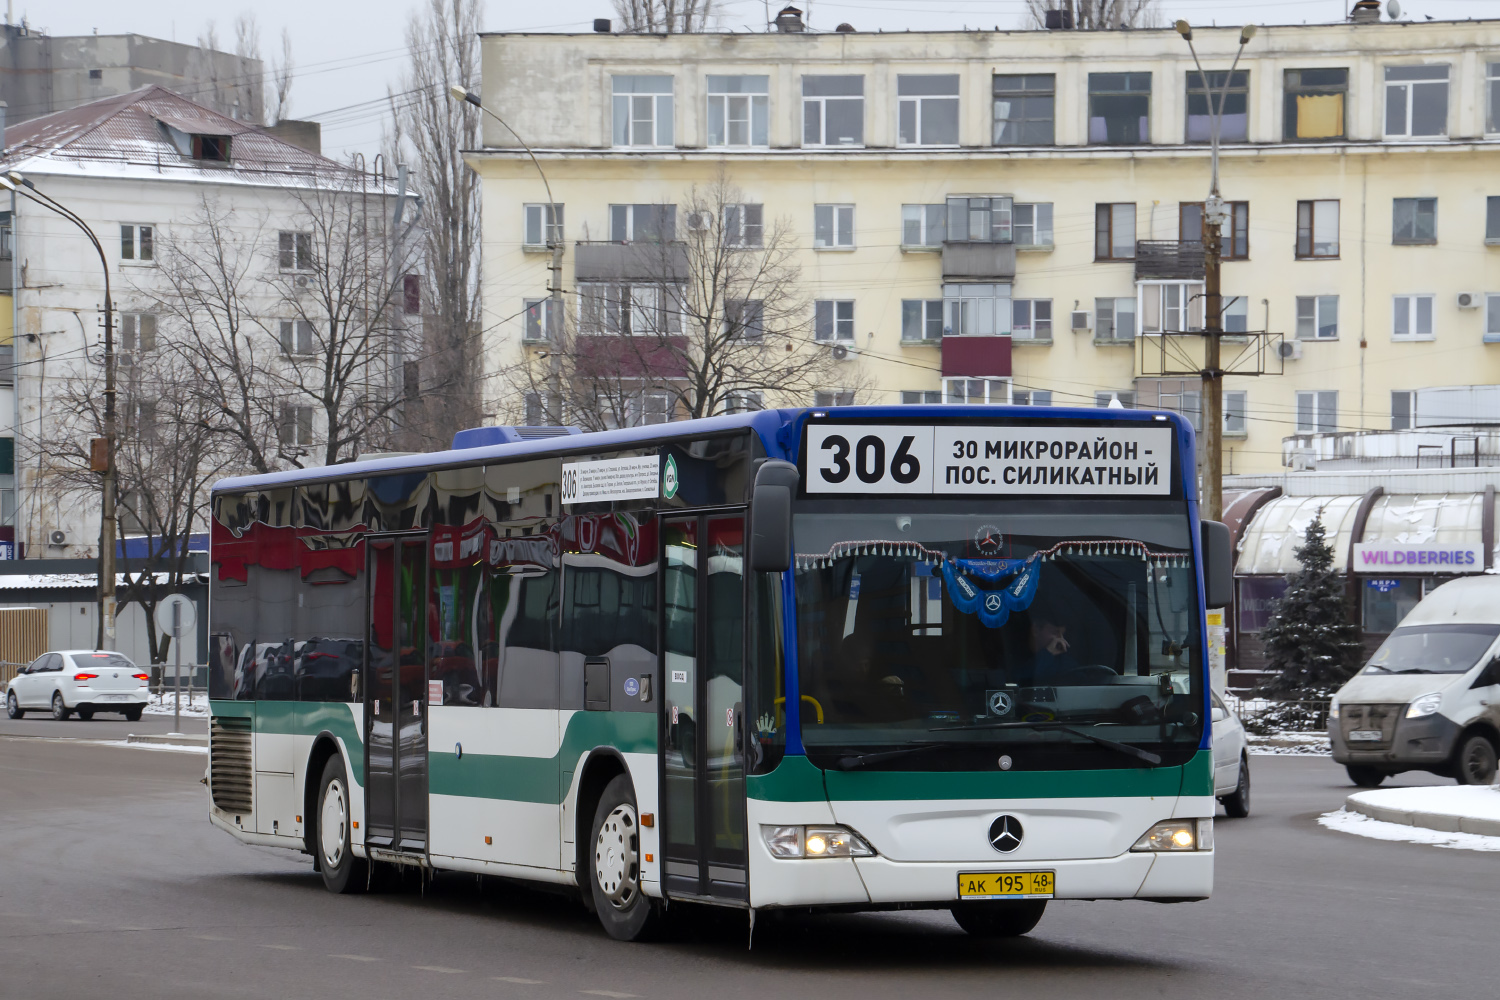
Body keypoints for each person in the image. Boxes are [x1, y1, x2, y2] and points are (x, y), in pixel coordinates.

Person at [1027, 614, 1078, 685]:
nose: (1061, 639)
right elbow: (1022, 679)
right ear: (1035, 630)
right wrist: (1047, 653)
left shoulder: (1064, 661)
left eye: (1063, 634)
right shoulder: (1015, 655)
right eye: (1054, 632)